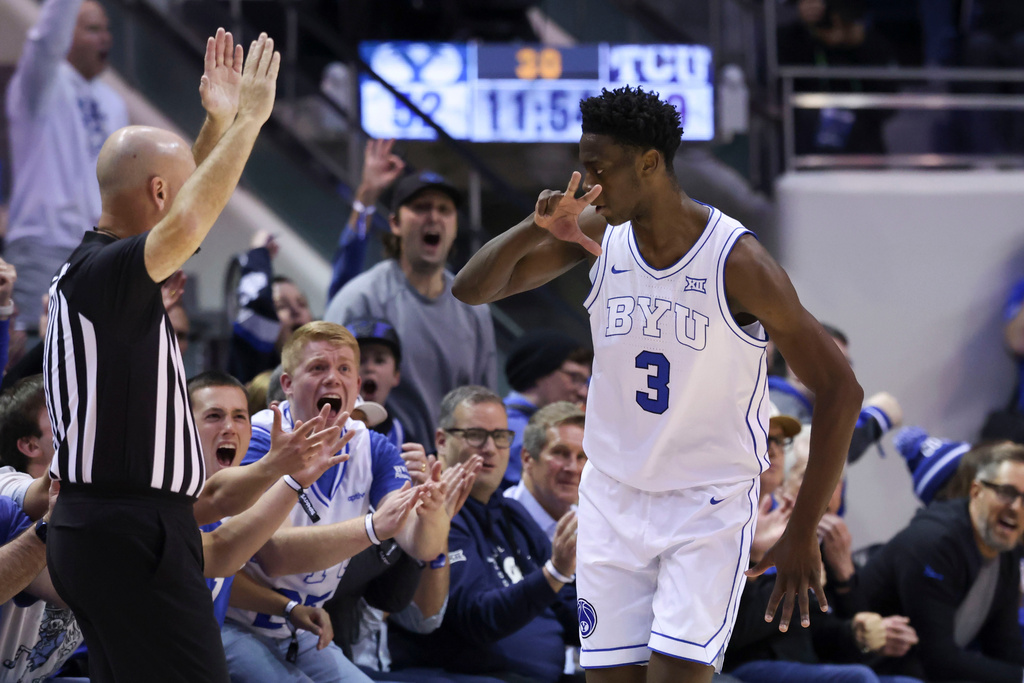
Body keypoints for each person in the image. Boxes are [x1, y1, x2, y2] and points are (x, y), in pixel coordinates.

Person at [451, 85, 862, 682]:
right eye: (583, 167)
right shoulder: (598, 230)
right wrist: (534, 227)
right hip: (612, 499)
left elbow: (841, 389)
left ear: (650, 162)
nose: (587, 183)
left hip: (705, 506)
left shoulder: (737, 261)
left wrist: (801, 533)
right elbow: (472, 289)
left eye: (600, 168)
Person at [42, 29, 280, 682]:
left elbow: (177, 210)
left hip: (114, 527)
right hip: (127, 529)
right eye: (180, 190)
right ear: (155, 193)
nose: (201, 206)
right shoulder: (105, 274)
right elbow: (184, 219)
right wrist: (249, 124)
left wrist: (216, 124)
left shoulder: (97, 268)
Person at [222, 321, 451, 683]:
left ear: (357, 386)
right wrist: (373, 528)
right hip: (230, 621)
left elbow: (421, 545)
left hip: (302, 629)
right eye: (317, 367)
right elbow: (275, 555)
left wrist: (434, 511)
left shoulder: (374, 448)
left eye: (344, 369)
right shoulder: (257, 438)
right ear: (287, 385)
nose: (333, 378)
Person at [390, 386, 581, 683]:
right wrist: (554, 573)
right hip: (470, 675)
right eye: (476, 435)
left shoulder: (514, 515)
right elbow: (477, 619)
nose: (490, 448)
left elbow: (570, 610)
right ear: (442, 440)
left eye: (500, 437)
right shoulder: (431, 515)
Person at [324, 171, 498, 448]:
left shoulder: (475, 307)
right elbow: (325, 387)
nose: (434, 217)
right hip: (371, 466)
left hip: (449, 472)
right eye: (421, 207)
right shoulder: (359, 298)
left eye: (444, 209)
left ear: (454, 225)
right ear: (395, 222)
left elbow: (485, 402)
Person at [850, 443, 1024, 682]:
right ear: (976, 491)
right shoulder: (934, 543)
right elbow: (938, 659)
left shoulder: (1007, 550)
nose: (1016, 507)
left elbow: (1004, 644)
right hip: (876, 669)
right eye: (1007, 492)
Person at [5, 0, 129, 332]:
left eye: (107, 29)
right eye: (92, 29)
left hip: (98, 253)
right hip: (42, 245)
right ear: (67, 36)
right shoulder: (40, 84)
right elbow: (45, 40)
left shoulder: (114, 102)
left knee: (89, 361)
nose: (105, 38)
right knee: (33, 360)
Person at [502, 330, 592, 487]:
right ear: (541, 370)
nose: (583, 392)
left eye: (584, 382)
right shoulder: (508, 427)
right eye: (574, 377)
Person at [505, 400, 587, 541]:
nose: (573, 468)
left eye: (581, 457)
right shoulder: (497, 522)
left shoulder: (588, 525)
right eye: (560, 453)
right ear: (527, 458)